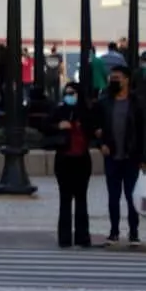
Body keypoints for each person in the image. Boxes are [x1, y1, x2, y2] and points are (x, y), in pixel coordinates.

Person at [94, 65, 146, 245]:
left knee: (132, 196)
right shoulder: (104, 102)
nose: (114, 81)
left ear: (126, 80)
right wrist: (100, 144)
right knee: (113, 196)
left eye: (117, 77)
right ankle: (114, 231)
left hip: (131, 157)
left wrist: (144, 158)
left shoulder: (136, 103)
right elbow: (95, 128)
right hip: (112, 157)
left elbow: (142, 132)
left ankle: (134, 232)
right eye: (112, 78)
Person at [45, 81, 93, 248]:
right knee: (65, 200)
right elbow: (45, 127)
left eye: (72, 93)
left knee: (81, 199)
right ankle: (64, 238)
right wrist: (58, 125)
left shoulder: (86, 112)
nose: (69, 96)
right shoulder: (59, 111)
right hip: (64, 159)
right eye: (67, 93)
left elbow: (93, 130)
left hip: (82, 159)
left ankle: (82, 237)